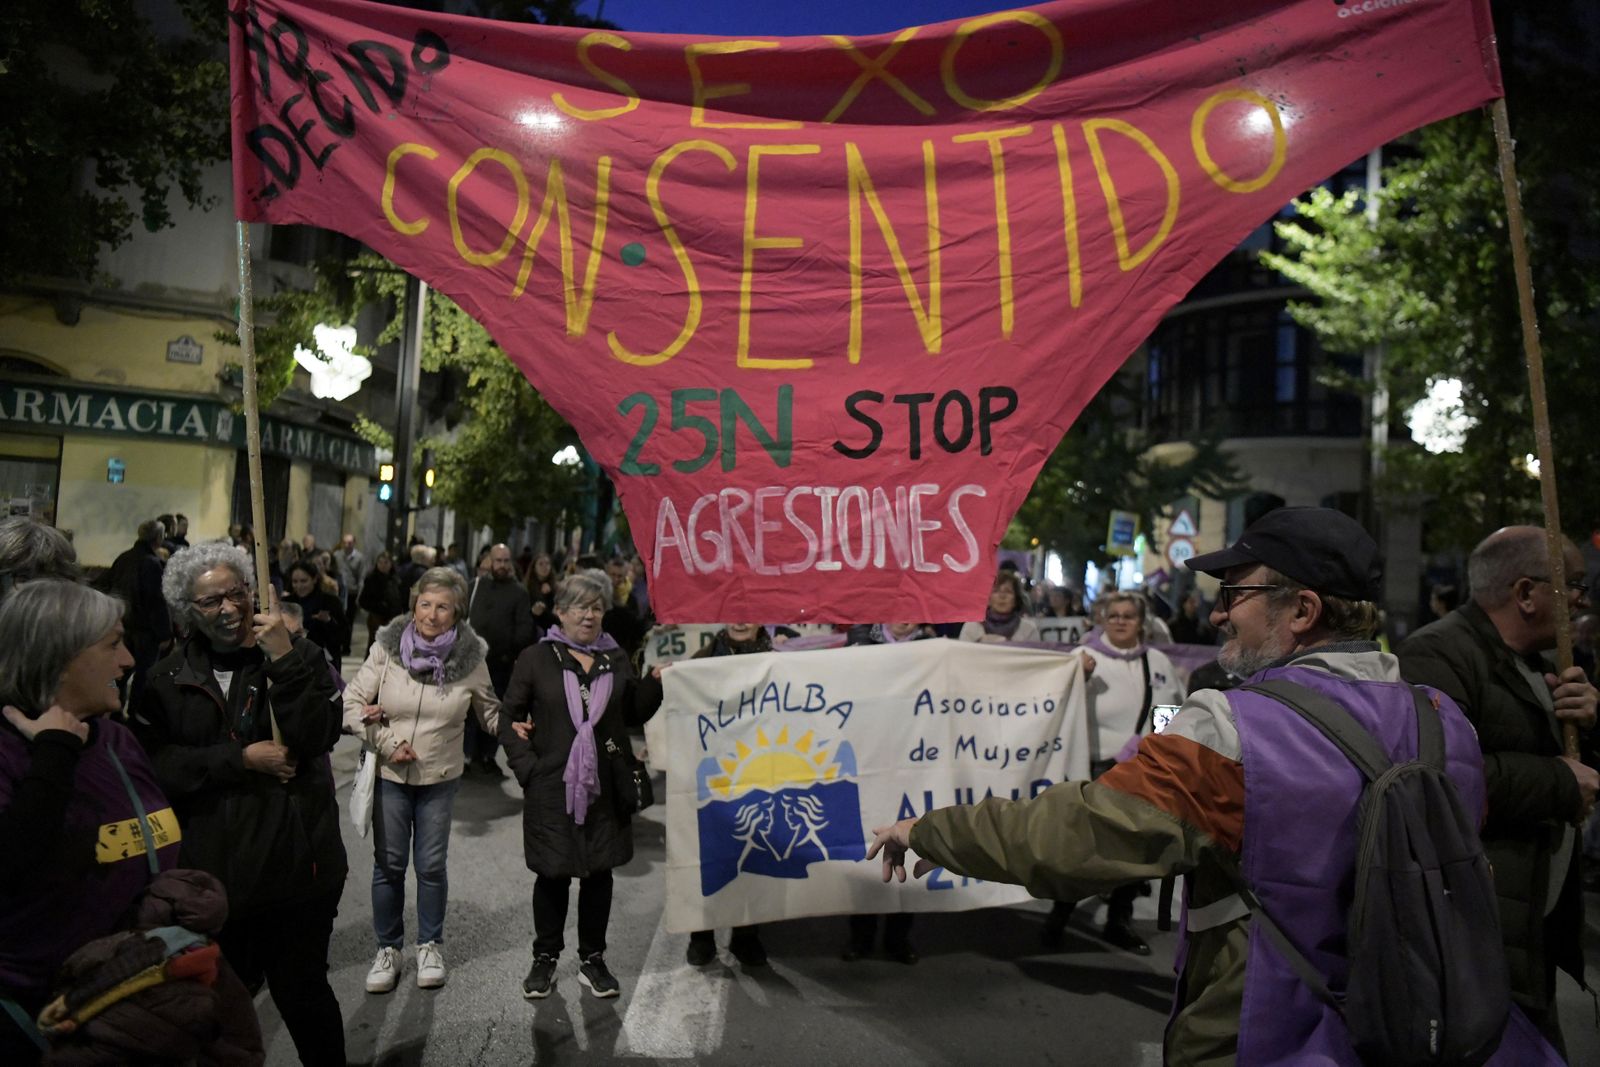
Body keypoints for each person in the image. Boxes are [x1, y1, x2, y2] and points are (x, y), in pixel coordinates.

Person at [866, 507, 1556, 1066]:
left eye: (1237, 593)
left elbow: (1072, 837)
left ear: (1303, 609)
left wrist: (931, 829)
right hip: (1430, 1029)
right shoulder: (1448, 724)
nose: (1220, 613)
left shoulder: (1231, 730)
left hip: (1270, 1035)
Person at [132, 542, 347, 1067]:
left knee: (304, 995)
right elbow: (154, 766)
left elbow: (319, 733)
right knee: (221, 1007)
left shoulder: (297, 653)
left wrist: (285, 660)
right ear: (188, 610)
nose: (228, 609)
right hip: (217, 878)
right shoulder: (163, 678)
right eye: (210, 602)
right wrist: (240, 760)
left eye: (236, 594)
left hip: (298, 867)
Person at [1398, 526, 1597, 1053]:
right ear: (1526, 593)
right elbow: (1439, 779)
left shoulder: (1549, 668)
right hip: (1475, 936)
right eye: (1572, 584)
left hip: (1530, 933)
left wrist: (1590, 723)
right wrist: (1557, 781)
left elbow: (1582, 776)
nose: (1582, 599)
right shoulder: (1436, 656)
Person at [0, 580, 164, 1061]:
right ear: (58, 656)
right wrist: (52, 755)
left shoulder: (116, 739)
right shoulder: (10, 754)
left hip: (131, 996)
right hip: (35, 1020)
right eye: (113, 644)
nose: (129, 659)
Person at [500, 572, 663, 1001]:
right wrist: (529, 769)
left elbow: (630, 713)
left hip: (605, 787)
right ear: (560, 612)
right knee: (552, 874)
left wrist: (655, 683)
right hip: (552, 785)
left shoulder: (616, 658)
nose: (588, 615)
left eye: (596, 607)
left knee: (599, 873)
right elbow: (508, 716)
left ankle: (593, 960)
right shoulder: (536, 658)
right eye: (579, 607)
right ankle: (545, 959)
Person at [344, 566, 500, 994]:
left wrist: (518, 724)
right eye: (425, 604)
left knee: (430, 866)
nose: (431, 615)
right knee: (389, 865)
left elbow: (489, 712)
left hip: (439, 776)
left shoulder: (470, 659)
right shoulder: (388, 649)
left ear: (457, 613)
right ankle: (388, 948)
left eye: (443, 607)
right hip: (392, 773)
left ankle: (429, 944)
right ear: (414, 605)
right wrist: (387, 740)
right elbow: (352, 702)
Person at [1042, 591, 1186, 955]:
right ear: (1102, 620)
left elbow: (1170, 709)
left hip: (1142, 768)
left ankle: (1119, 920)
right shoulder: (1083, 658)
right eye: (1114, 615)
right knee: (1085, 847)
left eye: (1129, 616)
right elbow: (1052, 703)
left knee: (1133, 848)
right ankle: (1060, 913)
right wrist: (1079, 677)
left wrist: (1158, 749)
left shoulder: (1157, 661)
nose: (1121, 621)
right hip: (1094, 767)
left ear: (1142, 623)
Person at [841, 621, 934, 964]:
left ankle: (898, 939)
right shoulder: (858, 648)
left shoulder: (937, 649)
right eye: (896, 608)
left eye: (911, 608)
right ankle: (860, 938)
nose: (903, 616)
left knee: (909, 847)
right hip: (871, 764)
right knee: (868, 851)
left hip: (917, 765)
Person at [685, 623, 775, 968]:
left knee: (755, 855)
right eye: (733, 613)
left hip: (760, 776)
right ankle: (702, 935)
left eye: (748, 614)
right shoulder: (701, 660)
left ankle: (746, 935)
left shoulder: (777, 662)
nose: (740, 621)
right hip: (713, 779)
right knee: (709, 858)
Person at [465, 544, 535, 778]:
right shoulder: (475, 586)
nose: (502, 565)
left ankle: (487, 756)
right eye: (498, 561)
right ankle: (467, 756)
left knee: (495, 712)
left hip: (500, 666)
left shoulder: (519, 592)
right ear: (489, 562)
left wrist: (509, 652)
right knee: (467, 712)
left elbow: (525, 630)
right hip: (471, 663)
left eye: (506, 560)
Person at [102, 518, 171, 706]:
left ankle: (114, 708)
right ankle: (136, 713)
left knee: (119, 674)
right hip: (145, 630)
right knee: (144, 675)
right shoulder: (152, 563)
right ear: (158, 538)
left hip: (123, 625)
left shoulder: (123, 558)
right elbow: (155, 600)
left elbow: (107, 585)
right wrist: (165, 633)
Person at [283, 559, 346, 661]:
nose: (299, 586)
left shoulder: (330, 602)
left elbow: (343, 635)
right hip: (295, 660)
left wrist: (329, 621)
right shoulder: (287, 602)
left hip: (325, 661)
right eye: (295, 581)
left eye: (304, 581)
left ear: (314, 579)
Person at [958, 571, 1040, 643]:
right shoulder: (972, 626)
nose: (1002, 596)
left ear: (1016, 600)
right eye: (996, 591)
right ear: (988, 599)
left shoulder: (1029, 629)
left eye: (1008, 591)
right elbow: (962, 657)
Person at [360, 550, 405, 651]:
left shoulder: (395, 578)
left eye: (386, 562)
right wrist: (379, 607)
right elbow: (363, 600)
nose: (383, 565)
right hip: (377, 617)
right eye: (380, 562)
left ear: (390, 564)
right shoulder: (372, 578)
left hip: (394, 617)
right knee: (375, 645)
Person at [526, 552, 558, 631]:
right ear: (534, 567)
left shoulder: (555, 587)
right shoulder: (527, 588)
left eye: (547, 564)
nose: (545, 567)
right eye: (540, 564)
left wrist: (549, 595)